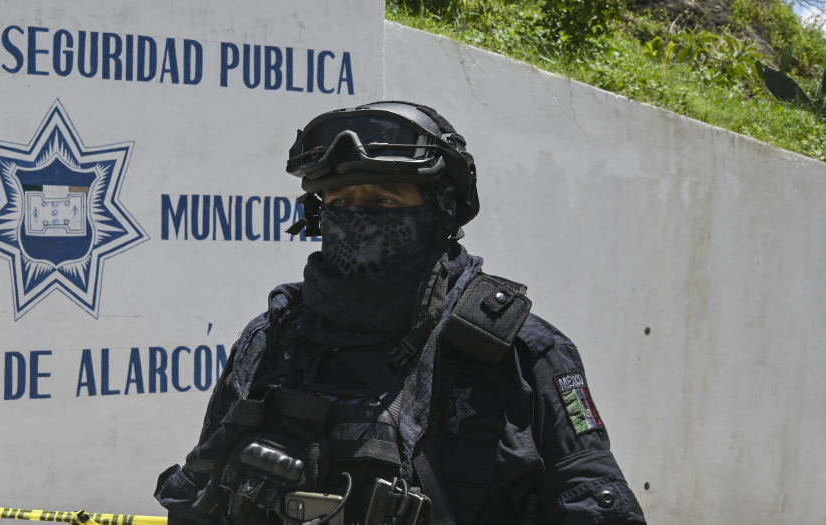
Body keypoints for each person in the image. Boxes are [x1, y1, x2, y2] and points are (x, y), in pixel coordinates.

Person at [154, 102, 646, 525]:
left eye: (384, 200)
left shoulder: (519, 352)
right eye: (339, 202)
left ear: (440, 211)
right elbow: (199, 494)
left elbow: (596, 506)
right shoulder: (273, 341)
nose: (358, 217)